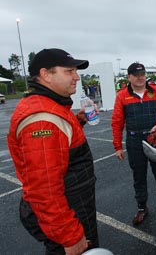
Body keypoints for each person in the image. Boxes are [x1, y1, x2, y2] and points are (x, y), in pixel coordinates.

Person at [7, 48, 99, 254]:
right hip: (66, 214)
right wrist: (69, 236)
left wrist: (78, 121)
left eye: (76, 71)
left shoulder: (50, 106)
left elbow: (56, 147)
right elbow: (44, 189)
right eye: (69, 71)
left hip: (72, 205)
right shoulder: (41, 120)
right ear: (46, 75)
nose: (76, 77)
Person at [111, 62, 156, 226]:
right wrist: (117, 146)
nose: (140, 77)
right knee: (138, 177)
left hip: (154, 139)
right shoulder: (122, 96)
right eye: (136, 75)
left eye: (142, 74)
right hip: (134, 142)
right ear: (129, 77)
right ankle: (142, 208)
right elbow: (117, 122)